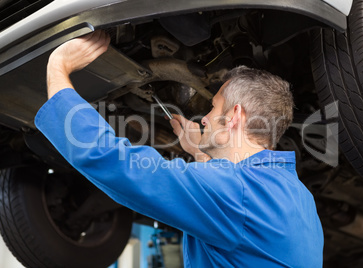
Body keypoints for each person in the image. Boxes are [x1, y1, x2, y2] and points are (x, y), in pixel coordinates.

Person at [35, 30, 324, 267]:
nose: (205, 119)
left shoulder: (236, 193)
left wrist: (57, 69)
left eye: (213, 108)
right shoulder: (300, 199)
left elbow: (115, 163)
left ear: (235, 116)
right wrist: (200, 153)